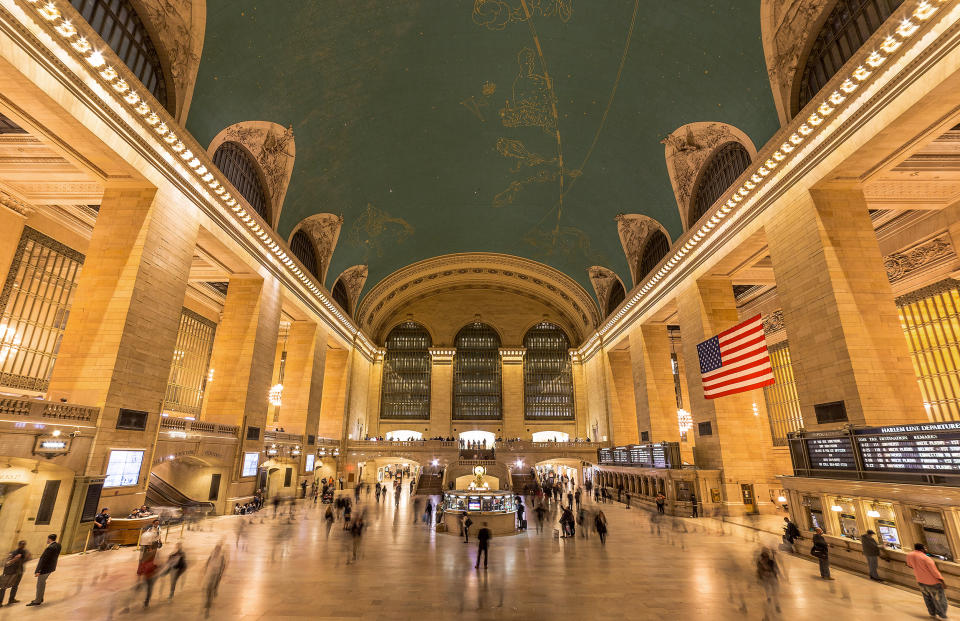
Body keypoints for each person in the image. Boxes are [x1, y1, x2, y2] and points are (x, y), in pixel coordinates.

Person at [906, 543, 949, 619]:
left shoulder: (909, 555)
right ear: (922, 549)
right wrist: (942, 581)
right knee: (940, 599)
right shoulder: (926, 558)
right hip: (933, 582)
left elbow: (909, 565)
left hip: (920, 581)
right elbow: (934, 571)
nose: (926, 549)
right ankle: (942, 614)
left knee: (927, 598)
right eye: (925, 548)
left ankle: (932, 613)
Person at [26, 534, 60, 606]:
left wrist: (38, 571)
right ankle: (40, 598)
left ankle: (37, 601)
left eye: (47, 539)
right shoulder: (58, 545)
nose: (47, 540)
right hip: (51, 567)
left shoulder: (50, 548)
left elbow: (43, 560)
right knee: (42, 583)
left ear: (50, 539)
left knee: (40, 584)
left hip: (45, 569)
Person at [0, 540, 30, 605]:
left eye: (24, 545)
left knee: (15, 586)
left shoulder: (24, 553)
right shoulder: (13, 553)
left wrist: (27, 557)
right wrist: (15, 559)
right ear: (19, 545)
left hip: (19, 572)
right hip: (10, 572)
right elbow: (6, 563)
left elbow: (25, 560)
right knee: (3, 587)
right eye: (22, 544)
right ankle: (0, 602)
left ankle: (11, 599)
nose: (23, 546)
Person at [202, 542, 227, 618]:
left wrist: (221, 574)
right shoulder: (212, 555)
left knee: (211, 588)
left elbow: (223, 566)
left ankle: (208, 605)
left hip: (216, 575)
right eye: (216, 549)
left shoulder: (221, 557)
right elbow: (207, 563)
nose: (216, 551)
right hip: (210, 574)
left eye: (218, 550)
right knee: (208, 589)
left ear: (219, 550)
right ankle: (208, 602)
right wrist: (205, 570)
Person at [756, 547, 782, 616]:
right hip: (766, 579)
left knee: (775, 593)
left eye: (766, 557)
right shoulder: (759, 563)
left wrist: (773, 573)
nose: (765, 559)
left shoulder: (772, 562)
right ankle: (768, 610)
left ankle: (777, 606)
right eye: (764, 557)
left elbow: (776, 570)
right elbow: (759, 572)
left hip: (773, 579)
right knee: (768, 594)